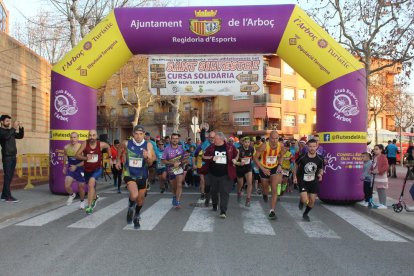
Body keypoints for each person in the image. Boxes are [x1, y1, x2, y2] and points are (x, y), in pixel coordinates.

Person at [116, 125, 155, 229]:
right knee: (134, 195)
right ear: (133, 134)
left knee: (140, 200)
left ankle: (136, 215)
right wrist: (117, 161)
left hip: (142, 175)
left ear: (144, 135)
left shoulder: (148, 145)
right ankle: (130, 208)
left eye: (141, 134)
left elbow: (150, 163)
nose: (138, 136)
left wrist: (147, 157)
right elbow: (119, 148)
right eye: (136, 134)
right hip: (129, 173)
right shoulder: (126, 143)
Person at [202, 132, 238, 218]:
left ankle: (223, 211)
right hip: (213, 174)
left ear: (221, 139)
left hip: (225, 174)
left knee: (224, 192)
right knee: (214, 191)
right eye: (213, 139)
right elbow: (203, 156)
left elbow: (237, 155)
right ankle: (214, 203)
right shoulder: (211, 147)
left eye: (216, 139)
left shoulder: (230, 147)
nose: (214, 140)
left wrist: (235, 160)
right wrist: (211, 157)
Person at [75, 129, 111, 214]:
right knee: (91, 187)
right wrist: (85, 158)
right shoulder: (85, 144)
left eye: (94, 135)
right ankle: (95, 198)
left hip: (97, 169)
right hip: (87, 170)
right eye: (90, 135)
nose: (92, 137)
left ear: (97, 136)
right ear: (88, 136)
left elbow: (108, 146)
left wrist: (110, 157)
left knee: (91, 183)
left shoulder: (101, 144)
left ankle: (89, 206)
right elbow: (76, 155)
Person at [253, 130, 283, 220]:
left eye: (276, 138)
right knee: (265, 189)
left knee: (274, 189)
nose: (274, 140)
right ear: (269, 138)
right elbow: (254, 157)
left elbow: (281, 155)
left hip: (274, 168)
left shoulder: (280, 145)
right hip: (264, 167)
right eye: (273, 138)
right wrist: (263, 169)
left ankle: (272, 211)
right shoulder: (264, 146)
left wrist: (280, 165)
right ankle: (265, 194)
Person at [293, 139, 324, 222]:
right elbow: (295, 165)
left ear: (317, 147)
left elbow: (321, 168)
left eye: (314, 146)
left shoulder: (320, 158)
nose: (312, 148)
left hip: (314, 181)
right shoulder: (302, 156)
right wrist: (294, 177)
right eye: (310, 146)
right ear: (307, 147)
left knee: (312, 201)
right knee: (305, 200)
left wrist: (320, 174)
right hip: (302, 180)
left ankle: (305, 213)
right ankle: (302, 200)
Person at [0, 115, 24, 202]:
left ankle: (3, 195)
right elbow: (6, 137)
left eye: (9, 121)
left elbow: (20, 136)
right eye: (7, 121)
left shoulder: (10, 131)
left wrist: (21, 128)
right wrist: (13, 128)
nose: (8, 123)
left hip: (13, 156)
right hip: (7, 157)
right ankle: (8, 196)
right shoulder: (1, 131)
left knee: (9, 177)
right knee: (8, 176)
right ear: (2, 122)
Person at [162, 133, 187, 208]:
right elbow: (163, 160)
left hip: (179, 169)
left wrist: (181, 162)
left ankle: (178, 201)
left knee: (179, 184)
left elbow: (185, 159)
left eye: (176, 138)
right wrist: (172, 162)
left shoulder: (181, 148)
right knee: (173, 186)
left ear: (178, 140)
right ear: (171, 139)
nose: (175, 140)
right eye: (173, 138)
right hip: (170, 169)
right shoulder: (167, 149)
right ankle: (174, 195)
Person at [62, 132, 86, 209]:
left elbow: (85, 160)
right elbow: (65, 156)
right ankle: (72, 194)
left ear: (78, 138)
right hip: (71, 168)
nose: (73, 139)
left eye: (75, 137)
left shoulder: (81, 147)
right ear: (70, 138)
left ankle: (82, 201)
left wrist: (76, 166)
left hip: (80, 168)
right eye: (72, 137)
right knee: (67, 185)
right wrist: (65, 166)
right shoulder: (66, 147)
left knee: (81, 187)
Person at [235, 137, 255, 207]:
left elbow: (253, 157)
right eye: (245, 142)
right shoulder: (239, 150)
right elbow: (234, 160)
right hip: (240, 169)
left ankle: (248, 199)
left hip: (248, 168)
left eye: (248, 142)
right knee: (240, 184)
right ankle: (239, 192)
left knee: (250, 183)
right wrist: (238, 163)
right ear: (243, 142)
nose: (247, 144)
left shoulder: (252, 149)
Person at [370, 144, 389, 209]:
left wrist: (379, 171)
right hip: (377, 177)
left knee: (382, 190)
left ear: (381, 150)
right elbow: (373, 165)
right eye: (374, 149)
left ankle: (384, 204)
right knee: (378, 189)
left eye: (377, 149)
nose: (375, 150)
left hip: (382, 176)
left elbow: (386, 166)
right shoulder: (375, 157)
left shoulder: (383, 157)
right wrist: (371, 170)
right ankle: (381, 203)